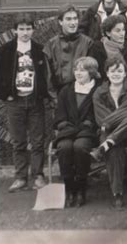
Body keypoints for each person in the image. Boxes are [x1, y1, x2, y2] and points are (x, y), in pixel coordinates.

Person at [0, 13, 50, 192]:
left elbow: (46, 75)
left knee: (37, 141)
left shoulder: (40, 50)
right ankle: (20, 177)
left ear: (33, 30)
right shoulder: (5, 50)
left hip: (35, 101)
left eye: (28, 29)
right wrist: (6, 95)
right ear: (15, 30)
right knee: (18, 141)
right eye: (21, 29)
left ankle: (38, 176)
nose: (25, 32)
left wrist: (43, 94)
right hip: (15, 101)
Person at [91, 57, 127, 210]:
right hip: (109, 133)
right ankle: (117, 194)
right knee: (114, 148)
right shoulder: (99, 92)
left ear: (125, 73)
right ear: (106, 73)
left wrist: (114, 122)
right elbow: (102, 119)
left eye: (120, 71)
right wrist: (120, 119)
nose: (116, 74)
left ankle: (105, 145)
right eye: (112, 71)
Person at [53, 56, 101, 207]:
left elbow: (97, 115)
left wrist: (88, 125)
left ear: (92, 72)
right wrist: (64, 124)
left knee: (80, 147)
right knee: (64, 147)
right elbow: (60, 113)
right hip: (67, 130)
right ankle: (69, 188)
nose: (78, 73)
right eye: (76, 69)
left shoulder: (98, 90)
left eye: (83, 70)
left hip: (88, 132)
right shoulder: (66, 90)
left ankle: (81, 187)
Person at [44, 3, 93, 93]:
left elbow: (92, 73)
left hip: (82, 94)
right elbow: (48, 77)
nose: (73, 23)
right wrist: (55, 101)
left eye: (75, 18)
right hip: (59, 95)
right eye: (68, 19)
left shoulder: (88, 43)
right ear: (60, 21)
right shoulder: (51, 45)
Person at [87, 15, 127, 85]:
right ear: (108, 33)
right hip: (104, 86)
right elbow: (92, 69)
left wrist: (125, 83)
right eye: (118, 31)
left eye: (123, 30)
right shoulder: (97, 47)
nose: (122, 33)